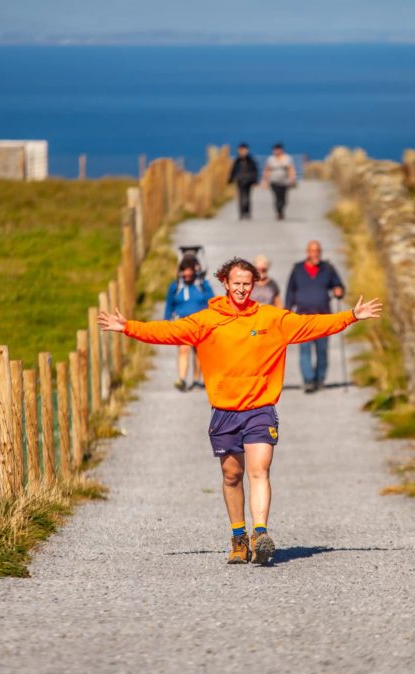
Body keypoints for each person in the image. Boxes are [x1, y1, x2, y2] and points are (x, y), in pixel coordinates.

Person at [99, 257, 381, 565]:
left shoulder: (272, 318)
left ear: (255, 284)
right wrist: (128, 327)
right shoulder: (206, 320)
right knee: (232, 474)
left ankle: (261, 534)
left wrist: (351, 316)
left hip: (260, 408)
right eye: (237, 284)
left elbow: (312, 324)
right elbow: (168, 331)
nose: (243, 289)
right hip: (225, 412)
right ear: (226, 283)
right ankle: (238, 538)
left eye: (248, 284)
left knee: (260, 469)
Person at [286, 240, 345, 393]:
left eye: (318, 251)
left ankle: (319, 379)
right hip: (303, 318)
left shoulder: (328, 268)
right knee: (305, 350)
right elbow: (290, 291)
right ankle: (308, 380)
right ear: (307, 252)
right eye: (312, 251)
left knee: (322, 350)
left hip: (323, 317)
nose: (315, 254)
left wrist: (339, 291)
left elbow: (338, 285)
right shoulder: (297, 269)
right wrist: (286, 312)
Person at [164, 255, 214, 391]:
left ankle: (197, 380)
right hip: (182, 322)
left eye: (189, 271)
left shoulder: (203, 285)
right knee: (183, 349)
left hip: (200, 323)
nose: (186, 274)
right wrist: (166, 322)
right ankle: (182, 379)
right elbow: (169, 304)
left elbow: (212, 301)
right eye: (184, 271)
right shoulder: (175, 286)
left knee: (199, 352)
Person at [262, 142, 296, 220]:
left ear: (282, 150)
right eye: (275, 150)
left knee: (284, 198)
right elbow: (267, 170)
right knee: (276, 197)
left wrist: (292, 178)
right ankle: (278, 212)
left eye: (278, 150)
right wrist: (265, 181)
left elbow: (291, 168)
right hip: (274, 181)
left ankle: (281, 210)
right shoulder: (270, 159)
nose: (276, 151)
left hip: (285, 181)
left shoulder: (287, 158)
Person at [227, 142, 259, 219]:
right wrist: (230, 179)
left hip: (249, 180)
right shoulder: (237, 160)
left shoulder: (251, 160)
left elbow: (255, 170)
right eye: (241, 150)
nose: (242, 152)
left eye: (244, 150)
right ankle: (242, 213)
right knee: (241, 197)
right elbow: (233, 170)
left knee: (247, 197)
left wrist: (255, 180)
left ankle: (247, 212)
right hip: (240, 180)